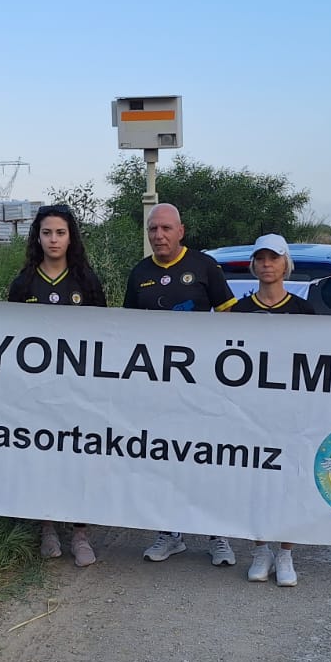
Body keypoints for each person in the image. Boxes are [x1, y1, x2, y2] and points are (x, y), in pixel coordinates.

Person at [122, 202, 238, 566]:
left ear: (181, 231)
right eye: (153, 229)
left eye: (166, 228)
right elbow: (126, 331)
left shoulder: (205, 266)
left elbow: (234, 323)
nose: (158, 235)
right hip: (156, 387)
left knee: (207, 458)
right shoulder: (139, 273)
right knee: (163, 459)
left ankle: (217, 534)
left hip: (202, 385)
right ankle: (169, 533)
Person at [7, 203, 108, 566]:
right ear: (37, 237)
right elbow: (9, 337)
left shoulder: (87, 282)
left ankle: (80, 532)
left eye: (60, 233)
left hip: (78, 390)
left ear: (70, 238)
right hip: (37, 391)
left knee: (79, 458)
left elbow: (104, 336)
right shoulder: (23, 283)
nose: (53, 239)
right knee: (42, 456)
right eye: (47, 232)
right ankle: (47, 527)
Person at [229, 233, 312, 586]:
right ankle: (260, 549)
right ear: (253, 264)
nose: (267, 264)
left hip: (291, 411)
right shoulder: (239, 311)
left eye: (274, 258)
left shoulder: (304, 311)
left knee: (289, 481)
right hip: (251, 412)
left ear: (285, 263)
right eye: (261, 258)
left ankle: (286, 552)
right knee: (257, 481)